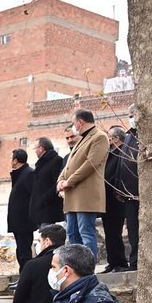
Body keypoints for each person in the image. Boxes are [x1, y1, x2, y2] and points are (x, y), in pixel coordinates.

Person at [58, 110, 109, 260]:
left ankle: (88, 269)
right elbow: (69, 164)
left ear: (80, 122)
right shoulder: (81, 139)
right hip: (72, 195)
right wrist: (60, 181)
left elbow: (91, 163)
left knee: (86, 232)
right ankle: (76, 267)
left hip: (86, 195)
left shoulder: (99, 137)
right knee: (72, 234)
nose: (74, 128)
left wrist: (69, 181)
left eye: (74, 124)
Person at [102, 127, 140, 273]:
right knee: (110, 232)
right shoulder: (111, 154)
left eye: (109, 136)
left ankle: (121, 261)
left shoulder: (122, 153)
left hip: (118, 199)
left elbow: (116, 174)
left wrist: (117, 189)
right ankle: (113, 261)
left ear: (116, 138)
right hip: (110, 198)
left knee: (117, 232)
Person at [7, 149, 35, 271]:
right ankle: (23, 276)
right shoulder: (19, 174)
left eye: (11, 159)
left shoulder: (28, 174)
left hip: (24, 221)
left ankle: (26, 276)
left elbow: (32, 197)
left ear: (15, 161)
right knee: (20, 250)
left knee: (24, 252)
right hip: (18, 221)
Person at [29, 137, 65, 229]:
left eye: (35, 148)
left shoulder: (56, 161)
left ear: (41, 148)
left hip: (49, 211)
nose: (35, 151)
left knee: (49, 238)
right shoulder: (41, 164)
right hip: (40, 211)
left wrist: (44, 199)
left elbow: (57, 182)